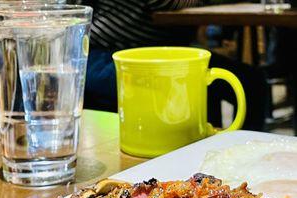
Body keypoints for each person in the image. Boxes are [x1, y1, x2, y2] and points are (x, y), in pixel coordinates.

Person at [83, 0, 267, 131]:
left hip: (145, 52)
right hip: (108, 57)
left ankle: (212, 150)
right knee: (247, 82)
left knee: (244, 82)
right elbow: (167, 3)